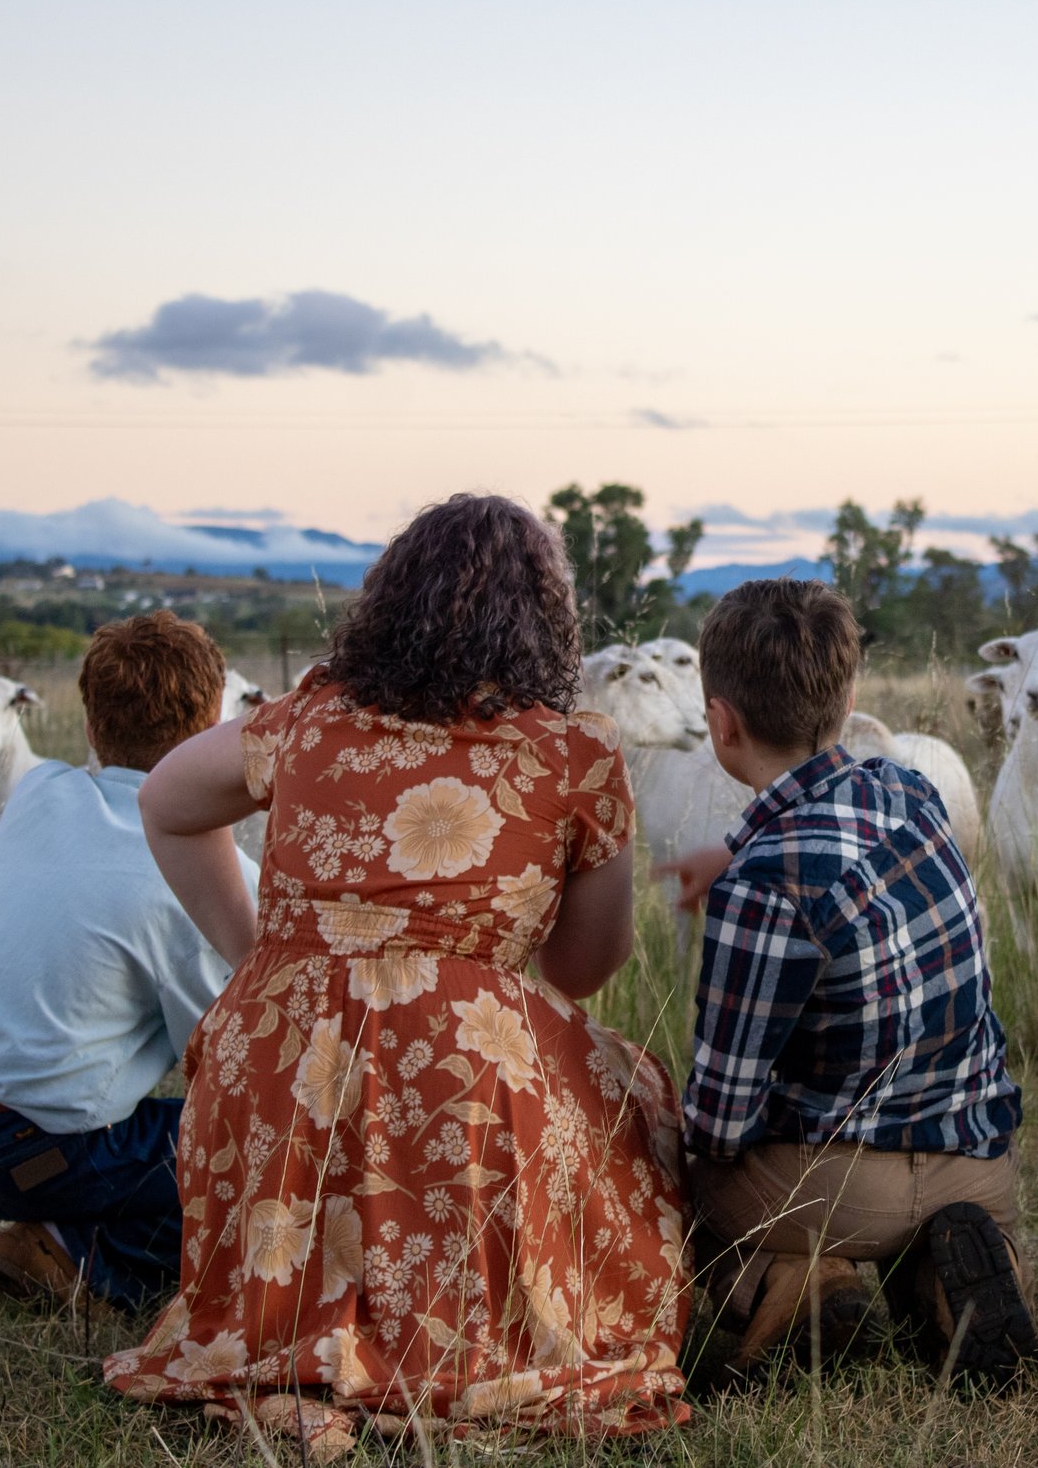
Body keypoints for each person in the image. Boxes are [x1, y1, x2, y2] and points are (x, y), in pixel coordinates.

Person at [103, 494, 689, 1452]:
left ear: (388, 602)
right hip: (463, 1073)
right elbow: (583, 969)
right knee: (629, 1095)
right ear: (547, 622)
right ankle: (440, 1344)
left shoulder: (308, 717)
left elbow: (165, 798)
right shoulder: (575, 750)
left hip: (275, 1060)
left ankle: (297, 1351)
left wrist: (265, 958)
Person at [662, 580, 1036, 1390]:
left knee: (679, 1172)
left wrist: (674, 1139)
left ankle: (795, 1285)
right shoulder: (916, 796)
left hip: (833, 1186)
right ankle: (949, 1273)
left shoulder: (761, 884)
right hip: (975, 1162)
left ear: (722, 724)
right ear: (850, 697)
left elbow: (722, 1116)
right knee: (923, 1213)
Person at [0, 610, 250, 1312]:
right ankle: (83, 1253)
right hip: (19, 1148)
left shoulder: (36, 793)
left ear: (89, 726)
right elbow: (227, 1061)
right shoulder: (206, 875)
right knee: (254, 1148)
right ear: (213, 728)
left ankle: (55, 1227)